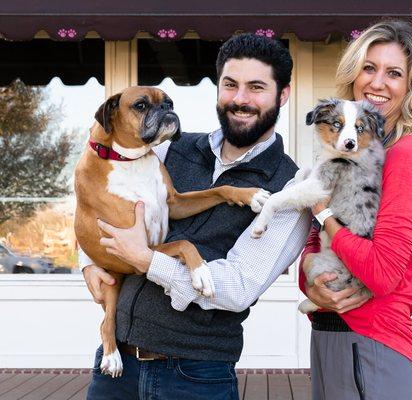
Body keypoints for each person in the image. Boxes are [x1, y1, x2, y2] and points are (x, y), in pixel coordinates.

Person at [81, 33, 310, 400]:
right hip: (116, 365)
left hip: (196, 375)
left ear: (282, 95)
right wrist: (89, 261)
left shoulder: (289, 188)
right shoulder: (170, 147)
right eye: (230, 85)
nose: (240, 99)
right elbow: (100, 199)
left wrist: (145, 260)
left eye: (256, 87)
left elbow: (238, 288)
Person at [299, 20, 412, 399]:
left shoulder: (408, 155)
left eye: (394, 73)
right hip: (330, 340)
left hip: (373, 346)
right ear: (353, 74)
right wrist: (311, 275)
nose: (378, 83)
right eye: (369, 67)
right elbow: (313, 252)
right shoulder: (352, 152)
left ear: (410, 87)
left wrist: (325, 216)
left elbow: (381, 274)